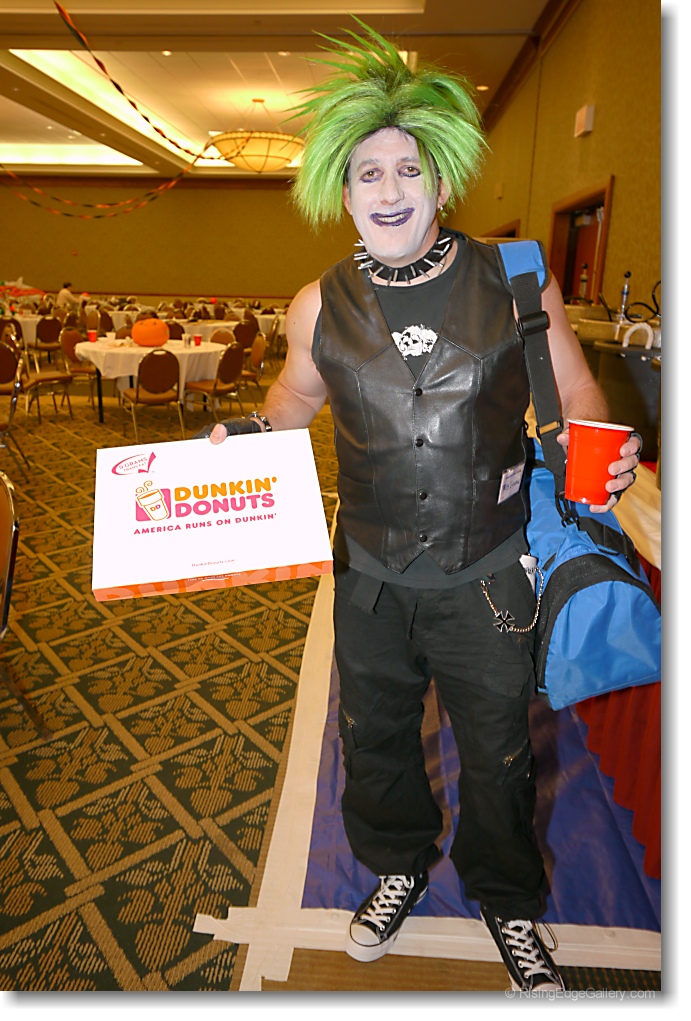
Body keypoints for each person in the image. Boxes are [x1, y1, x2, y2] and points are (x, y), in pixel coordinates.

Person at [197, 21, 641, 992]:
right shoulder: (317, 303)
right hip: (369, 577)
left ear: (439, 182)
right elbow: (293, 399)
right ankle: (395, 866)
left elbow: (574, 390)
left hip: (488, 573)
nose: (389, 190)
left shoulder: (516, 276)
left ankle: (507, 901)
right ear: (343, 191)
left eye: (408, 169)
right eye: (368, 173)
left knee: (498, 753)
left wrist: (602, 451)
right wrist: (251, 432)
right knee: (376, 740)